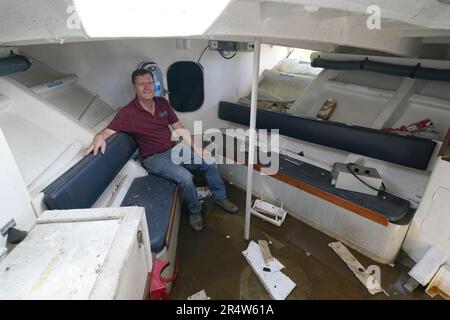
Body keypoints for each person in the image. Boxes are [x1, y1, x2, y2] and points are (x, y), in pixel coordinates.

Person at [84, 68, 238, 232]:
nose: (147, 87)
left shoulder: (162, 103)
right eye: (141, 84)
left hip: (174, 149)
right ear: (133, 87)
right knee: (186, 177)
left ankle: (220, 197)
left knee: (210, 161)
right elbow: (107, 131)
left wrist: (197, 149)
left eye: (150, 83)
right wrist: (99, 137)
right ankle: (195, 211)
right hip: (154, 158)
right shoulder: (127, 113)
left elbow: (179, 127)